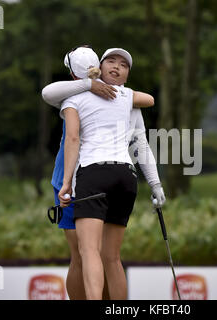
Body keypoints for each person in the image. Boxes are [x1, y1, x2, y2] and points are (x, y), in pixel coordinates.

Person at [44, 47, 165, 299]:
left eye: (123, 64)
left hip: (86, 177)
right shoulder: (79, 91)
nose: (116, 66)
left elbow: (139, 142)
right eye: (111, 61)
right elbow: (50, 93)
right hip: (84, 176)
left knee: (93, 254)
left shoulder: (125, 98)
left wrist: (156, 183)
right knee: (90, 255)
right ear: (98, 67)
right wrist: (89, 85)